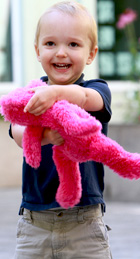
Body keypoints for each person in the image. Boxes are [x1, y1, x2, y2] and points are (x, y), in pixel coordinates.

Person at [10, 1, 112, 258]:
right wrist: (45, 137)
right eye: (51, 44)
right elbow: (16, 130)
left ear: (91, 54)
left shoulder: (96, 90)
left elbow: (89, 99)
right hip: (36, 224)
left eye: (73, 44)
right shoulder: (30, 94)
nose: (61, 53)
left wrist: (55, 93)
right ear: (37, 50)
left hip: (84, 224)